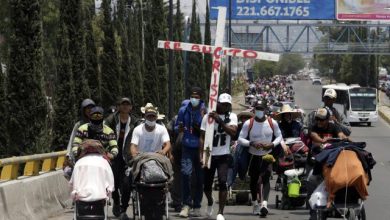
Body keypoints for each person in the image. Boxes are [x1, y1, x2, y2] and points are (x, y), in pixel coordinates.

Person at [238, 100, 282, 217]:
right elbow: (240, 139)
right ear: (254, 109)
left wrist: (271, 144)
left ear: (265, 110)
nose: (259, 111)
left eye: (261, 109)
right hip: (253, 156)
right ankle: (255, 203)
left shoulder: (272, 122)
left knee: (266, 178)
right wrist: (251, 143)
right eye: (257, 108)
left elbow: (279, 136)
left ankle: (264, 204)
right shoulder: (249, 123)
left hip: (267, 155)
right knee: (253, 180)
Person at [200, 93, 238, 220]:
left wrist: (220, 121)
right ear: (218, 103)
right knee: (206, 185)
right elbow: (202, 137)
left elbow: (233, 133)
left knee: (223, 182)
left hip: (223, 154)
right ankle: (210, 201)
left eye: (227, 105)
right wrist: (202, 154)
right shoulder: (207, 116)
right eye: (223, 104)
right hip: (209, 154)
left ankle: (220, 212)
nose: (225, 107)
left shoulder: (232, 116)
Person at [104, 97, 140, 219]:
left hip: (128, 156)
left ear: (131, 107)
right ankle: (116, 202)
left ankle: (123, 209)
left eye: (127, 104)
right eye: (122, 104)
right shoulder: (111, 120)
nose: (125, 107)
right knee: (112, 181)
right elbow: (104, 135)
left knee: (126, 183)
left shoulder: (135, 122)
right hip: (114, 155)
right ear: (118, 106)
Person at [175, 87, 206, 218]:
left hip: (201, 148)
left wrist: (200, 127)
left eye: (197, 97)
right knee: (185, 175)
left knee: (200, 178)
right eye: (192, 96)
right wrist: (180, 128)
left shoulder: (205, 111)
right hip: (187, 147)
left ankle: (197, 205)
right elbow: (177, 127)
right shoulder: (183, 110)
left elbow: (209, 130)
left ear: (201, 98)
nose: (194, 99)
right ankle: (186, 205)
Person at [64, 98, 95, 180]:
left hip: (97, 154)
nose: (90, 110)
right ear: (83, 110)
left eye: (91, 108)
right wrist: (68, 157)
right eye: (87, 108)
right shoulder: (78, 125)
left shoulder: (100, 123)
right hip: (82, 155)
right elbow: (72, 141)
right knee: (68, 173)